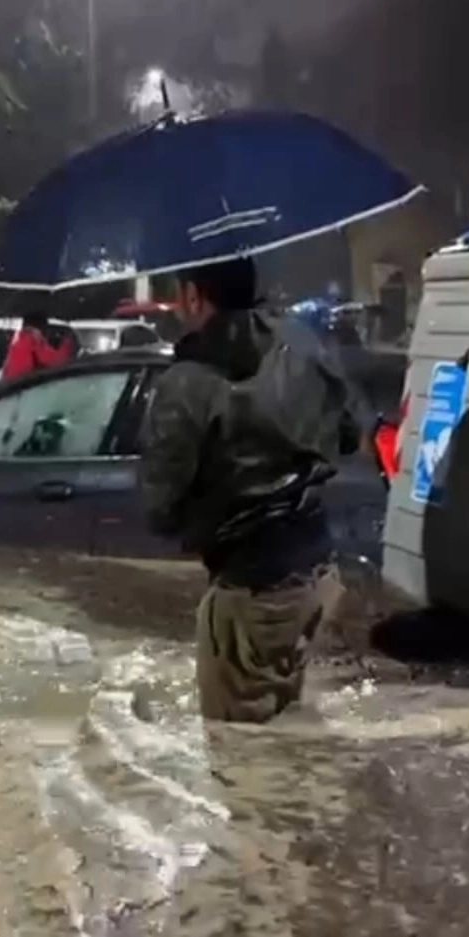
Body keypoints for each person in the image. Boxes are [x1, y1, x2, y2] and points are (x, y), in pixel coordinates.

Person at [139, 257, 377, 723]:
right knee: (287, 727)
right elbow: (349, 432)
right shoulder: (301, 342)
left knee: (238, 756)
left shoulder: (188, 382)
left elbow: (159, 507)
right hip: (320, 574)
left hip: (253, 591)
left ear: (193, 296)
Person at [0, 310, 76, 380]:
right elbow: (55, 362)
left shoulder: (17, 341)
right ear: (41, 327)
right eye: (46, 328)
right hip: (26, 385)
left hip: (14, 386)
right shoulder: (33, 338)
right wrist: (67, 344)